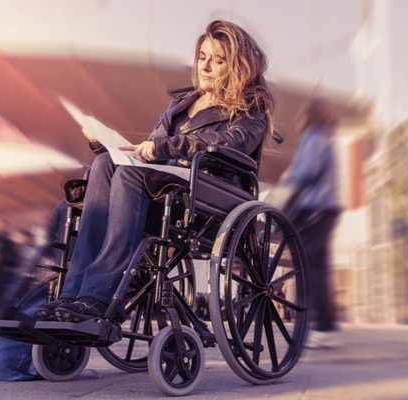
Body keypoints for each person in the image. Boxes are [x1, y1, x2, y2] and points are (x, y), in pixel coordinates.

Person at [36, 19, 277, 323]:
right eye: (202, 57)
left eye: (217, 61)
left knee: (129, 174)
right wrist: (105, 145)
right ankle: (72, 294)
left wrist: (168, 147)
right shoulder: (181, 104)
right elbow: (148, 148)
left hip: (204, 197)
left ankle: (97, 297)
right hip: (159, 189)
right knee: (104, 165)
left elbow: (231, 142)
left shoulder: (249, 107)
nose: (205, 66)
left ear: (237, 67)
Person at [278, 97, 342, 349]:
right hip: (329, 208)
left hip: (314, 209)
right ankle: (326, 325)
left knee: (308, 267)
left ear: (309, 116)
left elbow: (306, 171)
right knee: (320, 268)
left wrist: (286, 182)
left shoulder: (314, 135)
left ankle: (314, 323)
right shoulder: (327, 136)